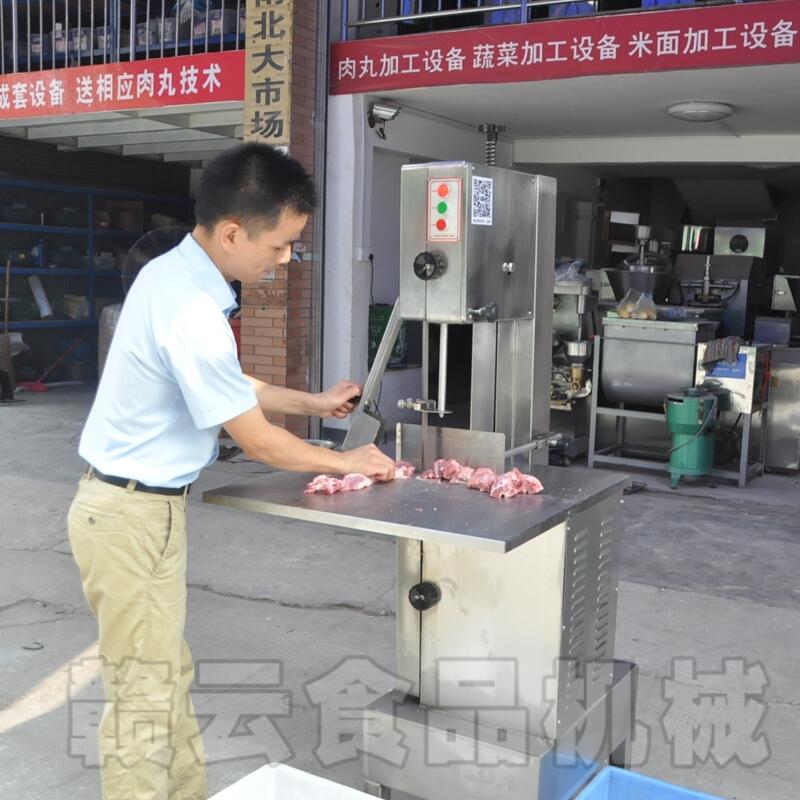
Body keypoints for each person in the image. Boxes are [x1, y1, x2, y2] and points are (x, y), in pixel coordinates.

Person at [67, 143, 395, 800]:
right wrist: (346, 460)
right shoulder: (193, 309)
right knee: (142, 698)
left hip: (136, 512)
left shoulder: (175, 278)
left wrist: (313, 403)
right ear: (233, 231)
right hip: (131, 517)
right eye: (279, 246)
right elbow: (259, 443)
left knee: (166, 677)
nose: (284, 261)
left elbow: (221, 381)